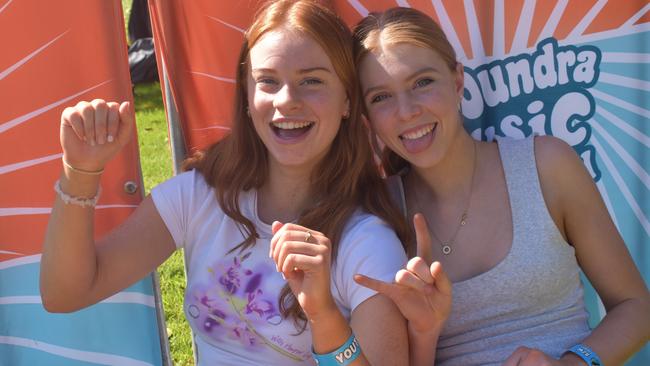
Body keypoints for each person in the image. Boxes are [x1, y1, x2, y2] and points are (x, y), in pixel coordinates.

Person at [40, 1, 412, 365]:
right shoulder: (200, 195)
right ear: (247, 98)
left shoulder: (366, 239)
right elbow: (66, 293)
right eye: (267, 81)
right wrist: (81, 171)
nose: (287, 101)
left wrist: (323, 315)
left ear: (347, 100)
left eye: (311, 80)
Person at [352, 7, 650, 366]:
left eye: (422, 82)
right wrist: (424, 331)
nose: (407, 110)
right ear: (367, 120)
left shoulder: (547, 165)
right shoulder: (375, 217)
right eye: (381, 97)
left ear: (458, 81)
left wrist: (573, 363)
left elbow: (636, 307)